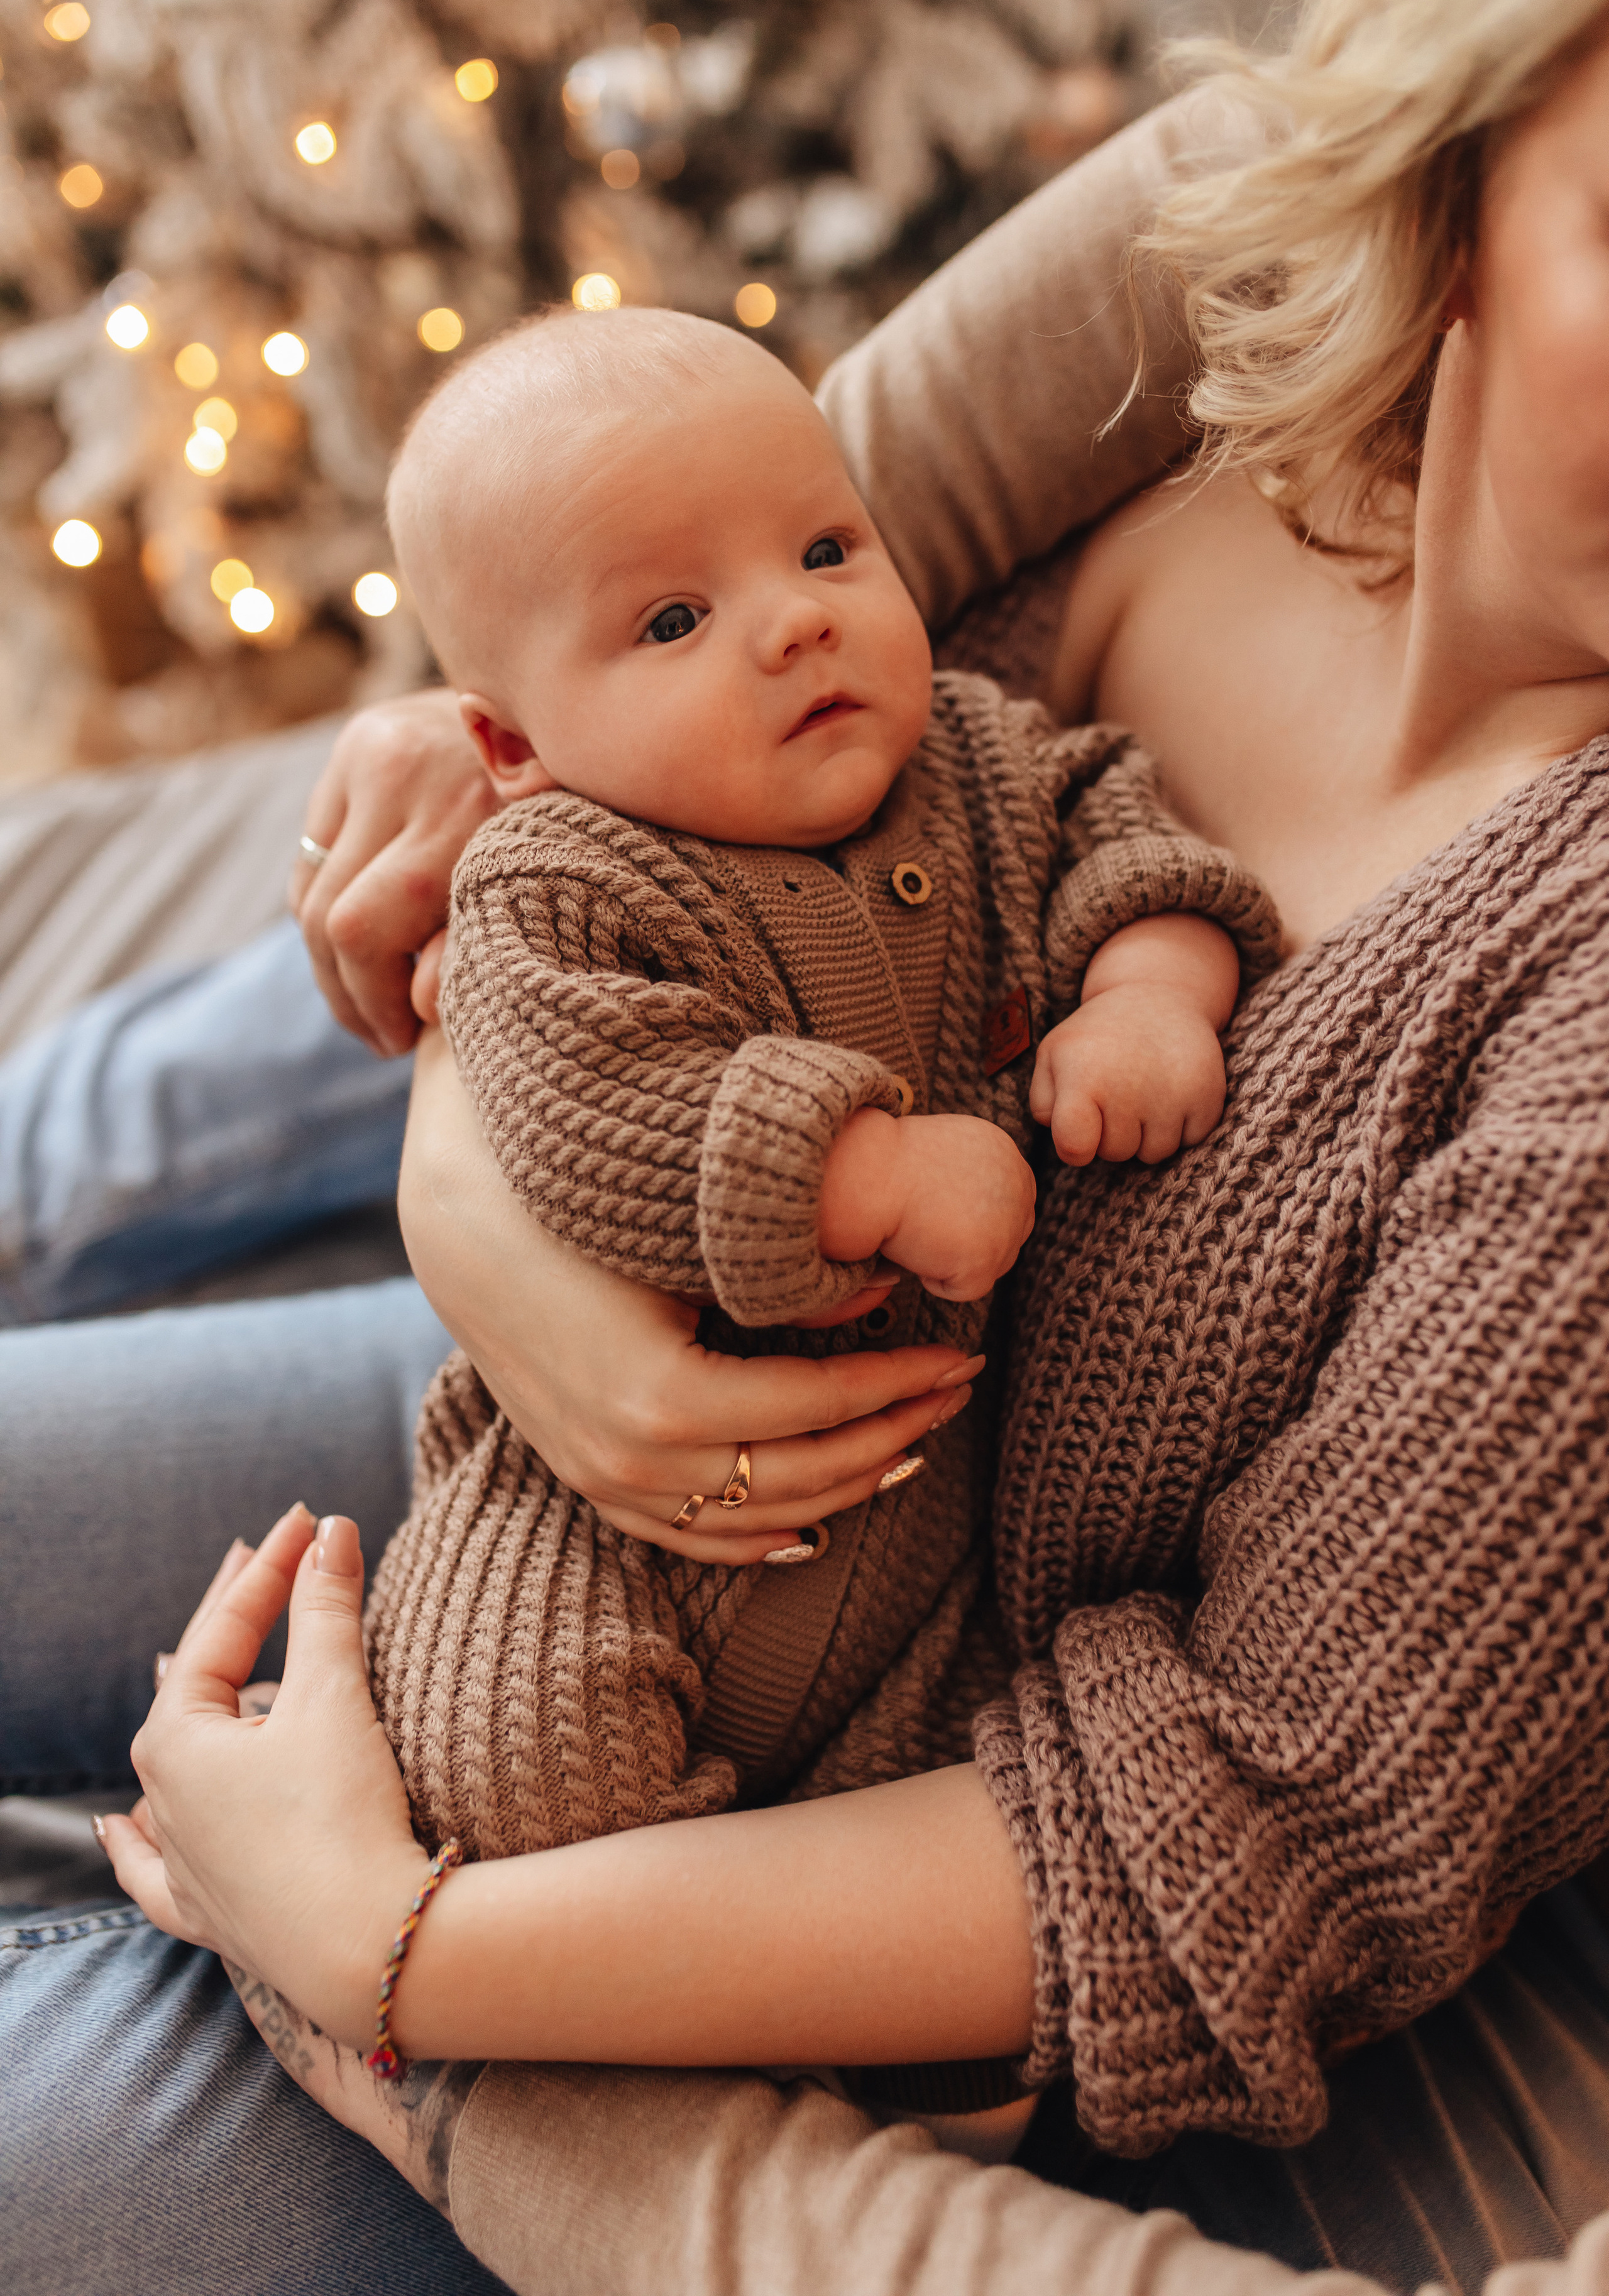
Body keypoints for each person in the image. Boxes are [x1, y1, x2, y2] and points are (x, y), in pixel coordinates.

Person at [8, 0, 1609, 2289]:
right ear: (1474, 148)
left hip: (904, 1803)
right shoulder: (1225, 245)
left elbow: (1267, 1812)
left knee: (49, 2077)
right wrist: (501, 1232)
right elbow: (619, 597)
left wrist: (395, 1942)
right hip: (583, 1431)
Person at [367, 303, 1274, 1983]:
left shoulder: (985, 766)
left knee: (932, 1773)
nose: (795, 625)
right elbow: (591, 1105)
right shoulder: (558, 880)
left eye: (825, 546)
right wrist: (860, 1175)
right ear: (509, 748)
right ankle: (570, 1975)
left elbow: (1127, 829)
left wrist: (1150, 998)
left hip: (925, 1547)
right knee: (523, 1742)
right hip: (594, 1535)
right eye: (674, 618)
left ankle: (774, 2029)